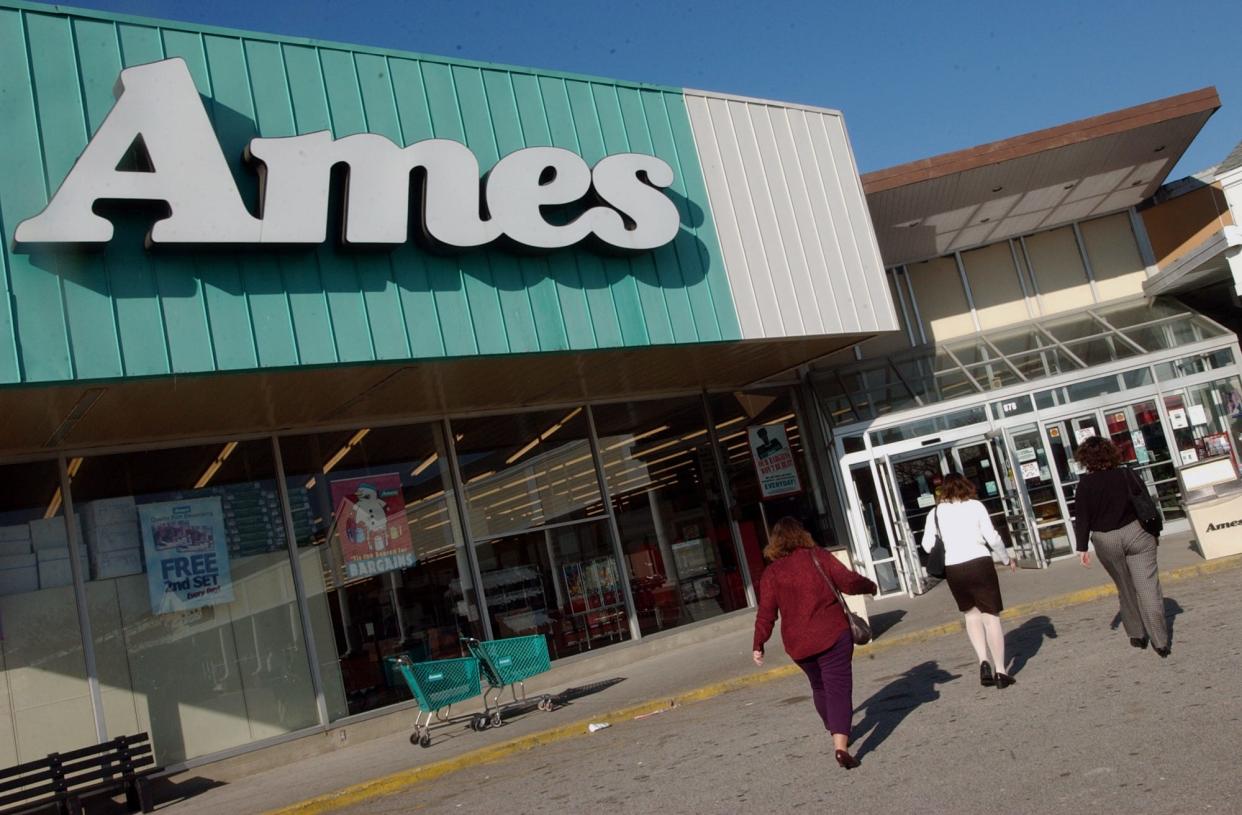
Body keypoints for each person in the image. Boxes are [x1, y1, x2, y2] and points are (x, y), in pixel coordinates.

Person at [752, 517, 877, 770]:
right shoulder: (818, 556)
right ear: (802, 535)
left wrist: (758, 643)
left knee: (819, 687)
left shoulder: (771, 573)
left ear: (775, 543)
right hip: (833, 634)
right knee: (838, 687)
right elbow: (849, 581)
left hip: (798, 644)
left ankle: (834, 726)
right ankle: (840, 747)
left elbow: (766, 613)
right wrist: (870, 585)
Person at [1071, 436, 1169, 657]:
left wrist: (1082, 547)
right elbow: (1145, 503)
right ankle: (1161, 641)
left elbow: (1082, 517)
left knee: (1125, 586)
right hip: (1136, 532)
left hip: (1106, 539)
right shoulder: (1126, 474)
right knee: (1148, 587)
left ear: (1085, 459)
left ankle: (1136, 633)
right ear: (1111, 452)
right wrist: (1154, 532)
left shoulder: (1084, 485)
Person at [920, 474, 1017, 689]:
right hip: (980, 563)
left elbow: (927, 546)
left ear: (942, 491)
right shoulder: (976, 507)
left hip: (954, 567)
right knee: (991, 617)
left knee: (971, 614)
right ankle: (1000, 671)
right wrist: (1006, 557)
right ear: (967, 486)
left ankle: (983, 661)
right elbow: (992, 537)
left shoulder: (935, 513)